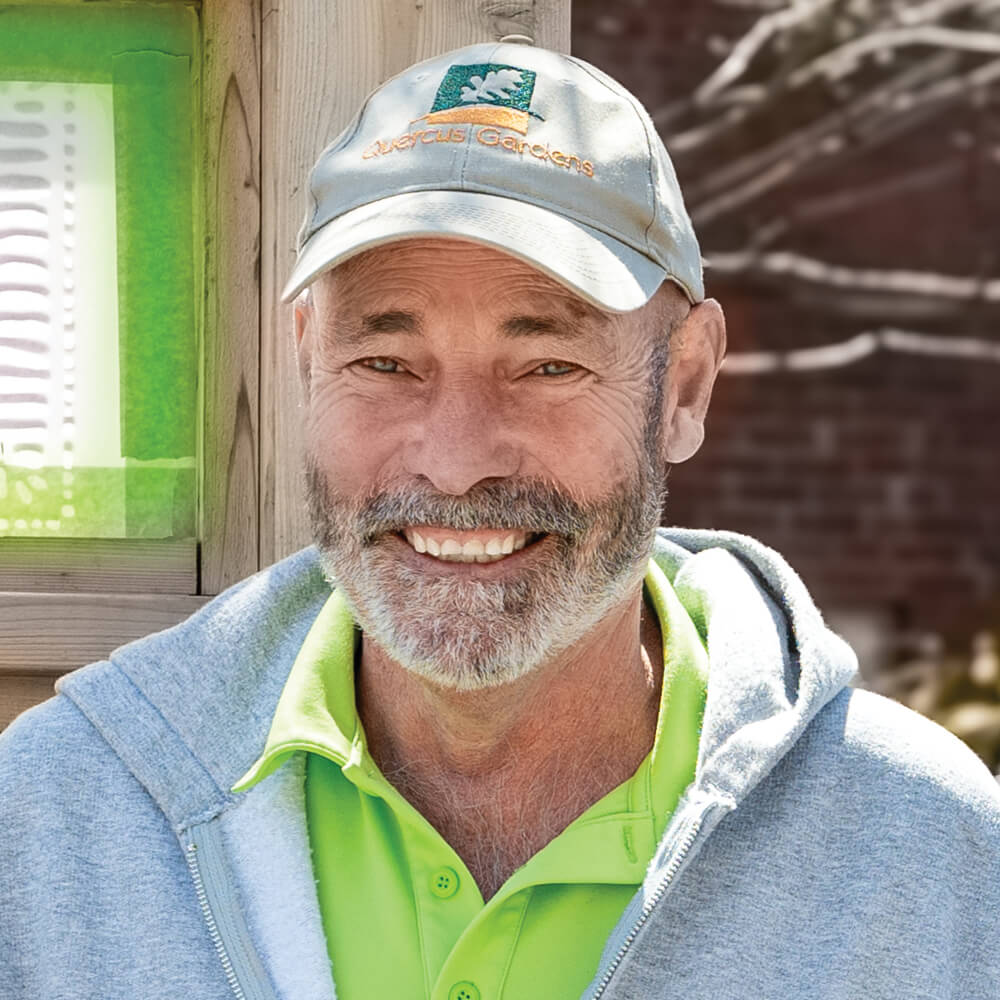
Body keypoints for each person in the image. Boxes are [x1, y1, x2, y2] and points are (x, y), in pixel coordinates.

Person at [2, 40, 998, 1000]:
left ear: (684, 385)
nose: (455, 457)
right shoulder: (52, 823)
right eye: (385, 362)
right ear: (308, 360)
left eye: (548, 366)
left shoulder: (922, 851)